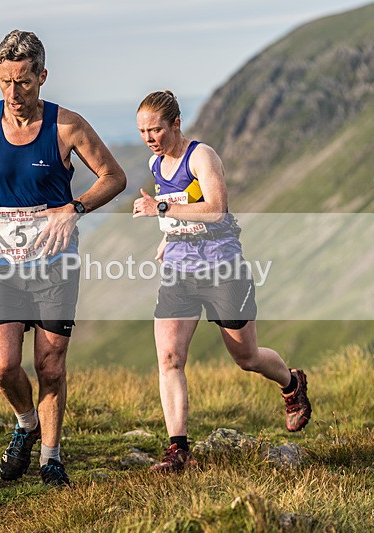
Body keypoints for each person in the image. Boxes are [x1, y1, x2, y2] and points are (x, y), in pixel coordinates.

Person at [0, 30, 126, 486]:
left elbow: (114, 177)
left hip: (54, 265)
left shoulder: (67, 126)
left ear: (42, 76)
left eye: (23, 82)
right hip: (0, 264)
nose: (13, 93)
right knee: (2, 366)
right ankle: (26, 424)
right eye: (5, 82)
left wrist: (75, 207)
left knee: (50, 366)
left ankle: (51, 459)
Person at [132, 90, 311, 473]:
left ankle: (292, 383)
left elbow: (216, 208)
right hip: (180, 270)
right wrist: (168, 235)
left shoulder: (201, 156)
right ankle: (178, 449)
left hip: (221, 268)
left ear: (176, 124)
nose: (150, 138)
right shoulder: (156, 163)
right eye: (144, 131)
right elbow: (182, 205)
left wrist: (159, 208)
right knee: (169, 357)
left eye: (157, 129)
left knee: (246, 357)